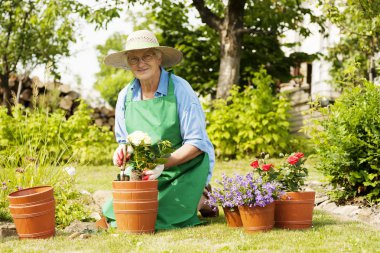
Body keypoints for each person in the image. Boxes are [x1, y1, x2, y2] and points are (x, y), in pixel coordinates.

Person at [102, 30, 218, 230]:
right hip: (146, 170)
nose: (140, 63)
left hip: (184, 166)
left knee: (161, 216)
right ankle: (196, 198)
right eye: (133, 59)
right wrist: (122, 151)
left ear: (158, 58)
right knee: (120, 214)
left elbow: (197, 143)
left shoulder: (181, 89)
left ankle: (204, 198)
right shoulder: (125, 96)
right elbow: (124, 141)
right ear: (128, 63)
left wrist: (164, 163)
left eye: (146, 56)